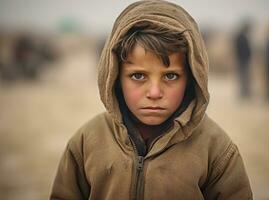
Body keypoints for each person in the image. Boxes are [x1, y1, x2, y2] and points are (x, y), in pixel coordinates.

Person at [50, 1, 252, 199]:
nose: (155, 93)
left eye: (170, 76)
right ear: (115, 78)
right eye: (138, 76)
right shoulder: (87, 142)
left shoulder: (216, 149)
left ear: (191, 79)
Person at [234, 22, 252, 99]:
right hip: (242, 60)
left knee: (244, 77)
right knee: (243, 77)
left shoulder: (242, 36)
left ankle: (244, 92)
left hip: (243, 60)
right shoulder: (241, 37)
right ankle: (243, 93)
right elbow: (240, 49)